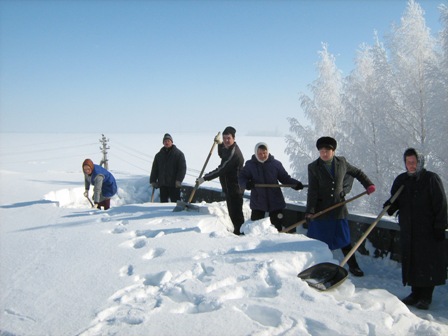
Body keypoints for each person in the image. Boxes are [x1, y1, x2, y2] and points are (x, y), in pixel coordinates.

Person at [384, 148, 447, 310]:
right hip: (409, 230)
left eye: (414, 162)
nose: (411, 166)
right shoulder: (402, 180)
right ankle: (415, 293)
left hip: (428, 230)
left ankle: (426, 296)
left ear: (420, 162)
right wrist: (389, 206)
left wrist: (440, 226)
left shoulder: (431, 179)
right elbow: (395, 200)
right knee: (412, 261)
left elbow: (441, 205)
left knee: (427, 263)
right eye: (408, 162)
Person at [305, 136, 376, 277]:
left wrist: (368, 184)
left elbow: (357, 172)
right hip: (321, 211)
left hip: (338, 209)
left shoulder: (342, 162)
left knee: (344, 240)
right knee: (318, 243)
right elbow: (312, 190)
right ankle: (316, 269)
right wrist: (310, 211)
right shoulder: (313, 167)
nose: (324, 154)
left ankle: (353, 266)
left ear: (333, 151)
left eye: (327, 151)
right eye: (321, 151)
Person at [239, 142, 304, 232]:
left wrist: (295, 184)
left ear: (268, 152)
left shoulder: (276, 164)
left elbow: (285, 178)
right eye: (260, 153)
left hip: (275, 202)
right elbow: (241, 178)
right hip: (258, 202)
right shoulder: (250, 165)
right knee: (255, 229)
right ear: (256, 153)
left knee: (276, 228)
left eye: (264, 153)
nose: (263, 155)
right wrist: (247, 184)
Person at [196, 126, 245, 235]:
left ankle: (241, 234)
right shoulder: (228, 148)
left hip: (236, 188)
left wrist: (204, 178)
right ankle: (237, 232)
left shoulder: (234, 153)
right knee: (232, 214)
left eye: (229, 138)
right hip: (229, 188)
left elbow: (221, 170)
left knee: (236, 215)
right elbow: (222, 154)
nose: (226, 141)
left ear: (234, 138)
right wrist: (219, 144)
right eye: (224, 138)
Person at [150, 133, 187, 203]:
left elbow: (182, 169)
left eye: (168, 141)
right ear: (163, 143)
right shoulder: (158, 155)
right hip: (162, 184)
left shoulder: (178, 154)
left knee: (175, 203)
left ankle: (176, 214)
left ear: (172, 142)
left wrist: (179, 180)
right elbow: (155, 169)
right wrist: (153, 180)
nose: (167, 142)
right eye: (165, 141)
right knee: (163, 203)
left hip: (174, 184)